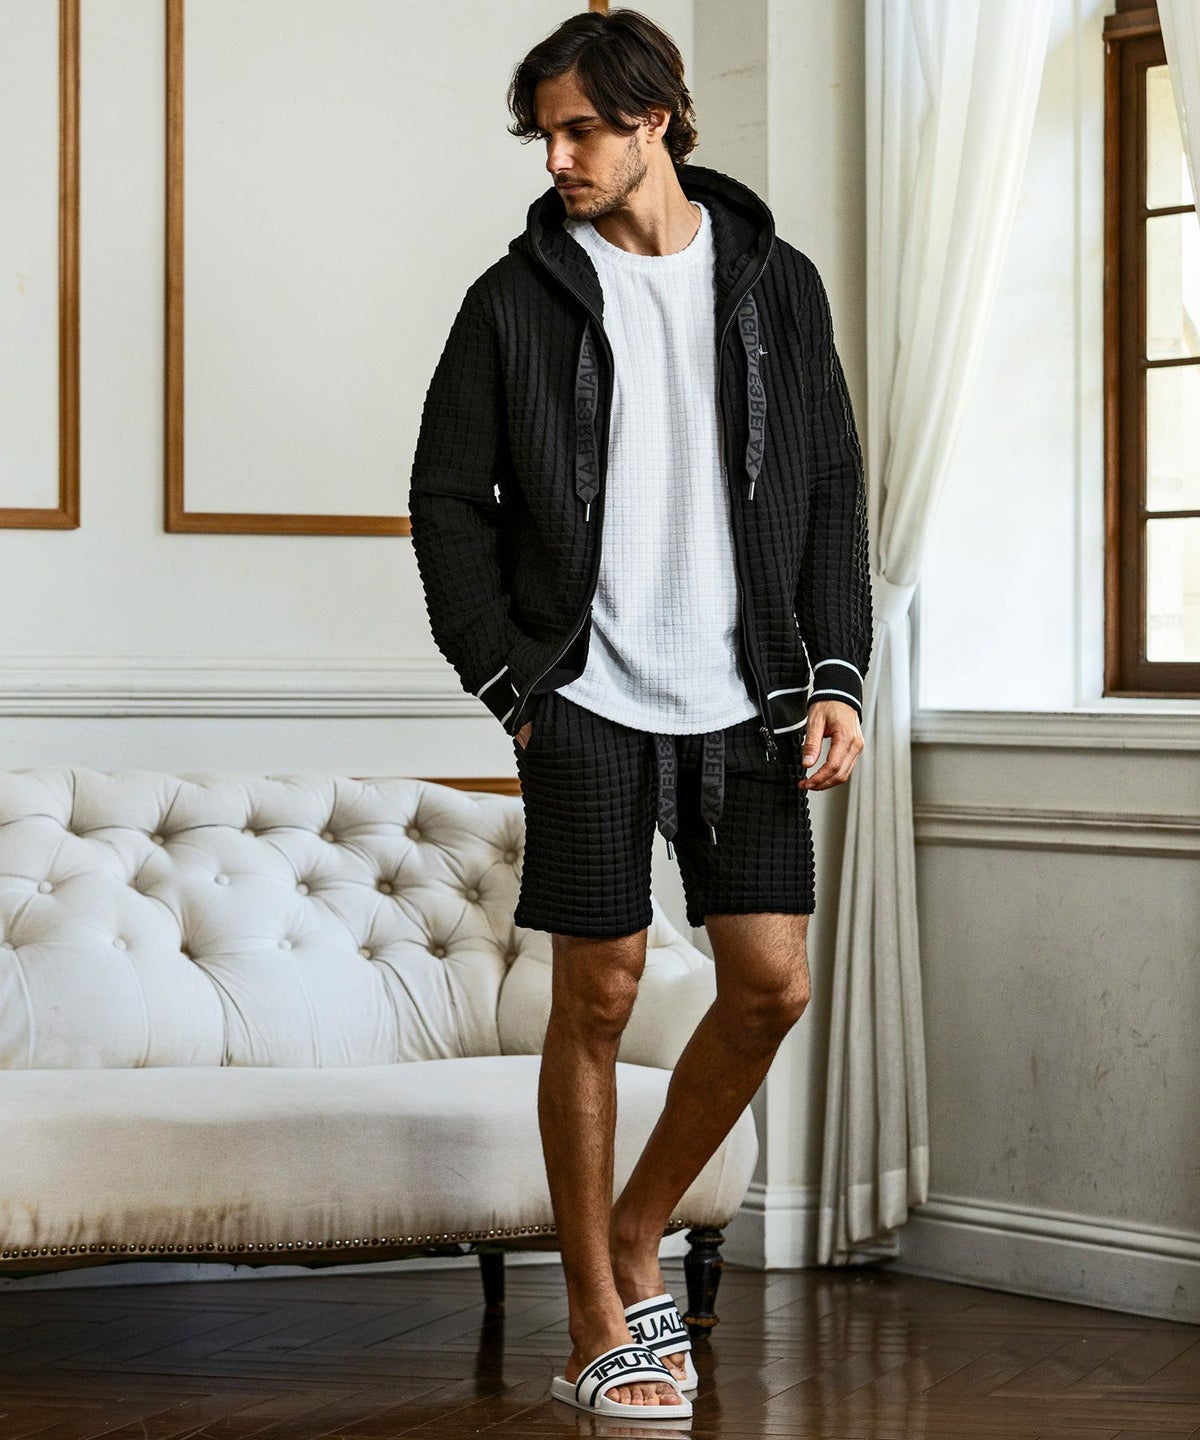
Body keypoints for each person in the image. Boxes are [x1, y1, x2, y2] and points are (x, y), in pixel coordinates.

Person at [409, 7, 872, 1418]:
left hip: (749, 701)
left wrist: (838, 674)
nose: (556, 158)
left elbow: (829, 486)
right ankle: (594, 1316)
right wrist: (512, 684)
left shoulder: (775, 283)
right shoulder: (514, 300)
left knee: (771, 984)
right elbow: (446, 500)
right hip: (589, 703)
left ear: (654, 119)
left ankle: (635, 1225)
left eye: (580, 131)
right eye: (543, 135)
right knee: (598, 994)